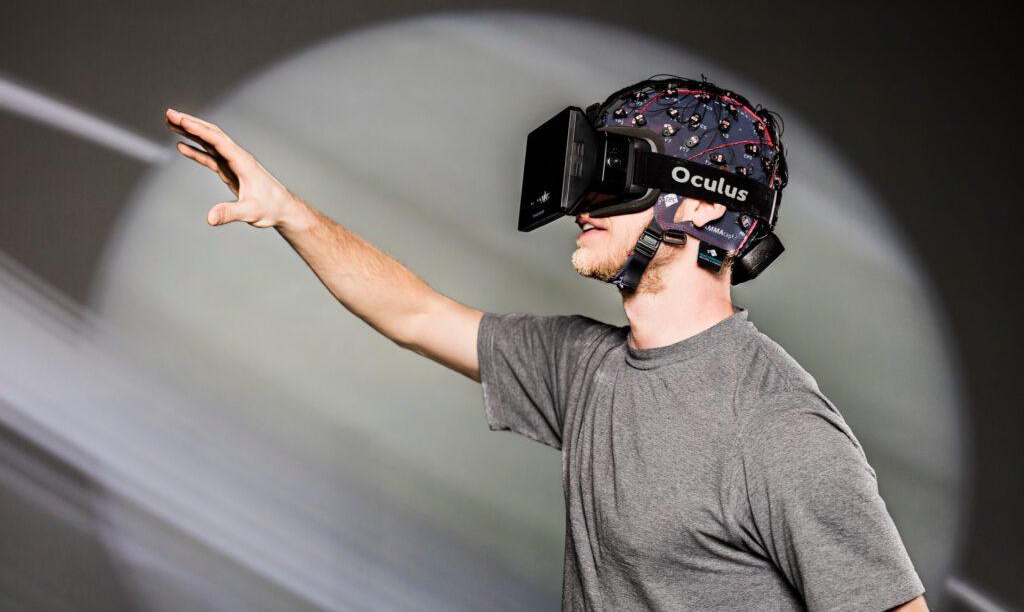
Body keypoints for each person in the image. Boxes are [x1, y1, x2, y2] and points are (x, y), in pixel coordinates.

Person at [164, 79, 928, 611]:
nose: (582, 204)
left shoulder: (780, 429)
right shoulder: (587, 368)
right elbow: (415, 314)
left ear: (701, 202)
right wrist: (290, 211)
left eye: (615, 174)